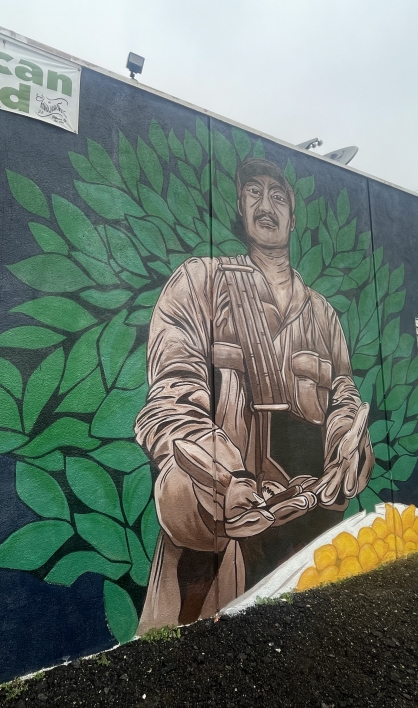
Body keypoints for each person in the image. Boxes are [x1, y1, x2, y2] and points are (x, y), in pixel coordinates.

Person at [133, 157, 374, 634]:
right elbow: (172, 397)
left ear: (294, 215)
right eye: (254, 193)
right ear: (238, 209)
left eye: (279, 195)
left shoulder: (323, 313)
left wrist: (349, 448)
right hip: (226, 545)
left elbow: (344, 394)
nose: (267, 205)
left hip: (312, 535)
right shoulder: (199, 283)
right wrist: (223, 477)